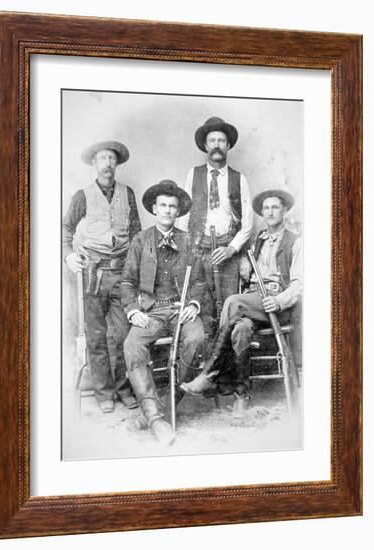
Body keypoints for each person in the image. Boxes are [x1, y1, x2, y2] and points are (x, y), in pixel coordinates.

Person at [181, 189, 302, 417]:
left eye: (275, 207)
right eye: (266, 208)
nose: (270, 212)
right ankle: (241, 395)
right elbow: (251, 274)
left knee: (233, 302)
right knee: (241, 329)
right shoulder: (259, 241)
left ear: (284, 210)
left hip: (276, 305)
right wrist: (246, 262)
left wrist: (278, 301)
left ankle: (212, 374)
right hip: (253, 301)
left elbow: (299, 285)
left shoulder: (296, 242)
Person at [121, 180, 206, 445]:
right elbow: (127, 281)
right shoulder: (141, 240)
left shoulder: (188, 240)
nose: (168, 210)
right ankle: (158, 420)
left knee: (196, 339)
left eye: (173, 206)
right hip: (152, 311)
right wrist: (133, 310)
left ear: (178, 211)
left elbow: (200, 282)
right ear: (154, 209)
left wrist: (193, 305)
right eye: (163, 206)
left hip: (181, 309)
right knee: (132, 345)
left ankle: (158, 409)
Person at [63, 140, 141, 413]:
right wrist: (68, 255)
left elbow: (136, 235)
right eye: (103, 159)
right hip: (93, 274)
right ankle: (103, 392)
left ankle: (123, 389)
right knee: (96, 336)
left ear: (117, 164)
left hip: (121, 273)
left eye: (112, 159)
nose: (108, 163)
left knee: (121, 334)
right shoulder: (82, 196)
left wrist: (134, 269)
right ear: (94, 164)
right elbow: (65, 228)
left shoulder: (127, 193)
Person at [176, 116, 253, 315]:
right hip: (199, 252)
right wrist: (183, 251)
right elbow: (183, 216)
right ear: (205, 145)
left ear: (228, 145)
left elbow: (247, 224)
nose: (216, 145)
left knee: (229, 310)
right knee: (202, 308)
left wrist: (231, 249)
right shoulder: (193, 174)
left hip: (227, 253)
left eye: (221, 141)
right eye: (212, 141)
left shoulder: (239, 179)